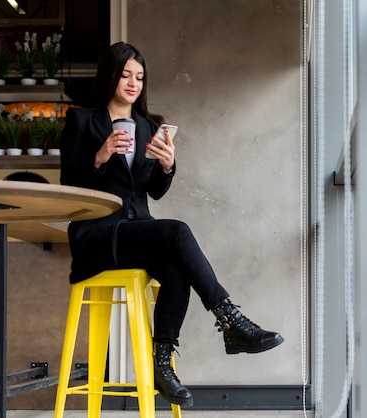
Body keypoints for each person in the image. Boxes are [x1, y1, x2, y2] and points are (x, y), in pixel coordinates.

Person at [59, 42, 284, 407]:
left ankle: (162, 365)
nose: (134, 83)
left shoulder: (150, 126)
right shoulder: (82, 121)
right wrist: (99, 157)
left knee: (177, 271)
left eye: (140, 77)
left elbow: (155, 192)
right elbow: (69, 187)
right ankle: (231, 321)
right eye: (126, 74)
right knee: (177, 230)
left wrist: (167, 166)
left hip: (136, 232)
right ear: (110, 75)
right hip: (97, 235)